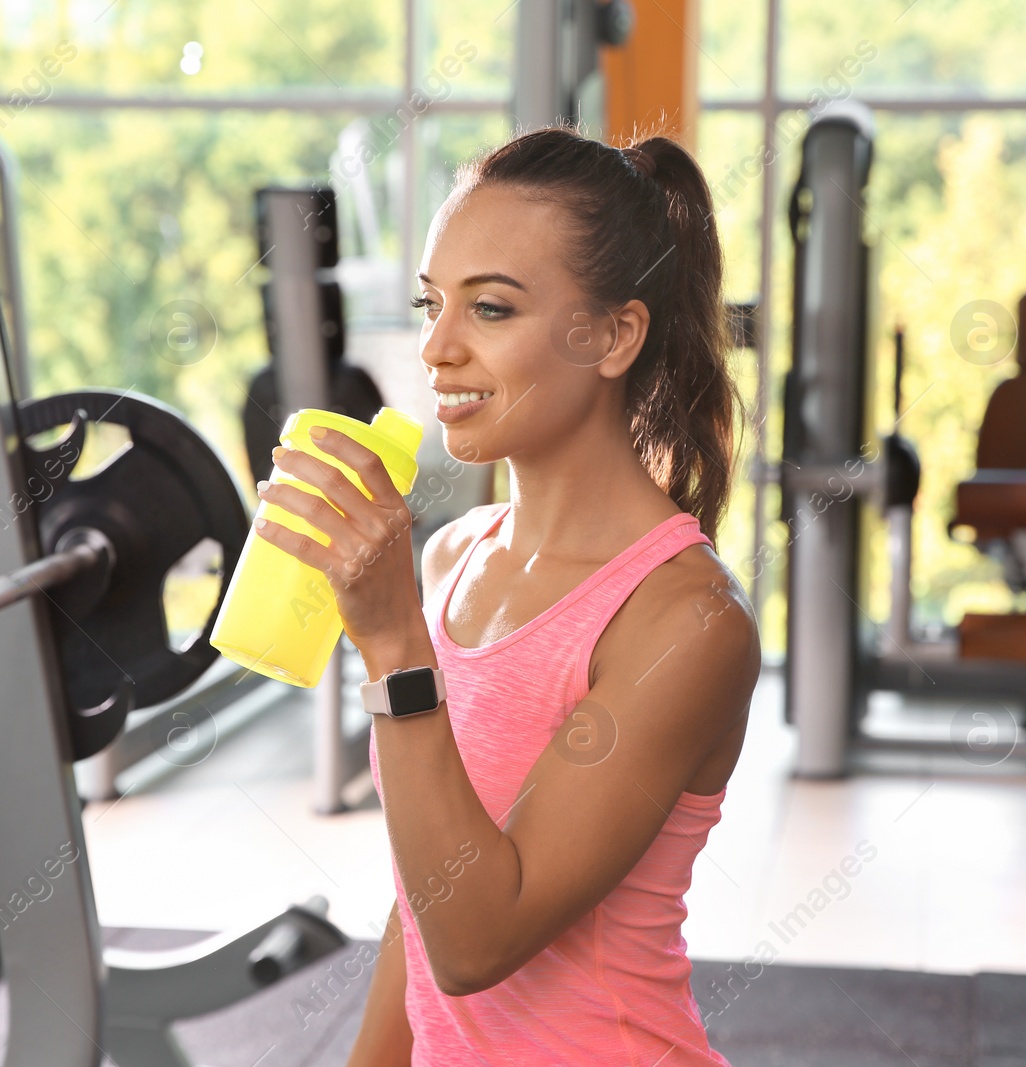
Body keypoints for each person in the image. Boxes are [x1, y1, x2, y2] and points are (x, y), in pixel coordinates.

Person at [252, 125, 760, 1066]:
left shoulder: (685, 620)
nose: (437, 348)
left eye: (489, 309)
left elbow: (476, 939)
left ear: (614, 336)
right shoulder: (449, 560)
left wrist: (397, 646)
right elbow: (422, 900)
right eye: (431, 303)